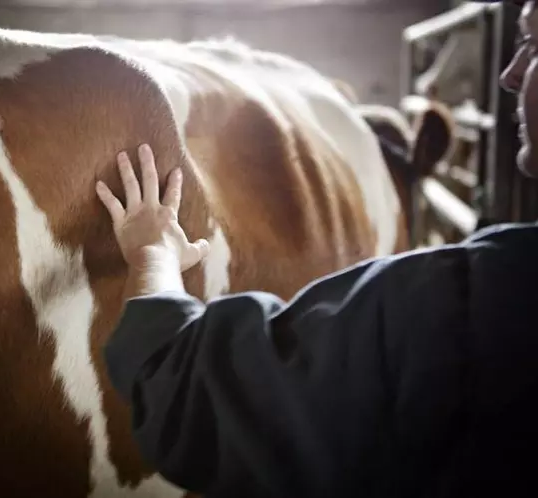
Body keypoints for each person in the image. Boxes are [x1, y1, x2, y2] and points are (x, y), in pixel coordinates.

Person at [95, 1, 538, 497]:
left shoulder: (475, 309)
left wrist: (152, 256)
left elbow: (186, 392)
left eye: (531, 44)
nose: (509, 74)